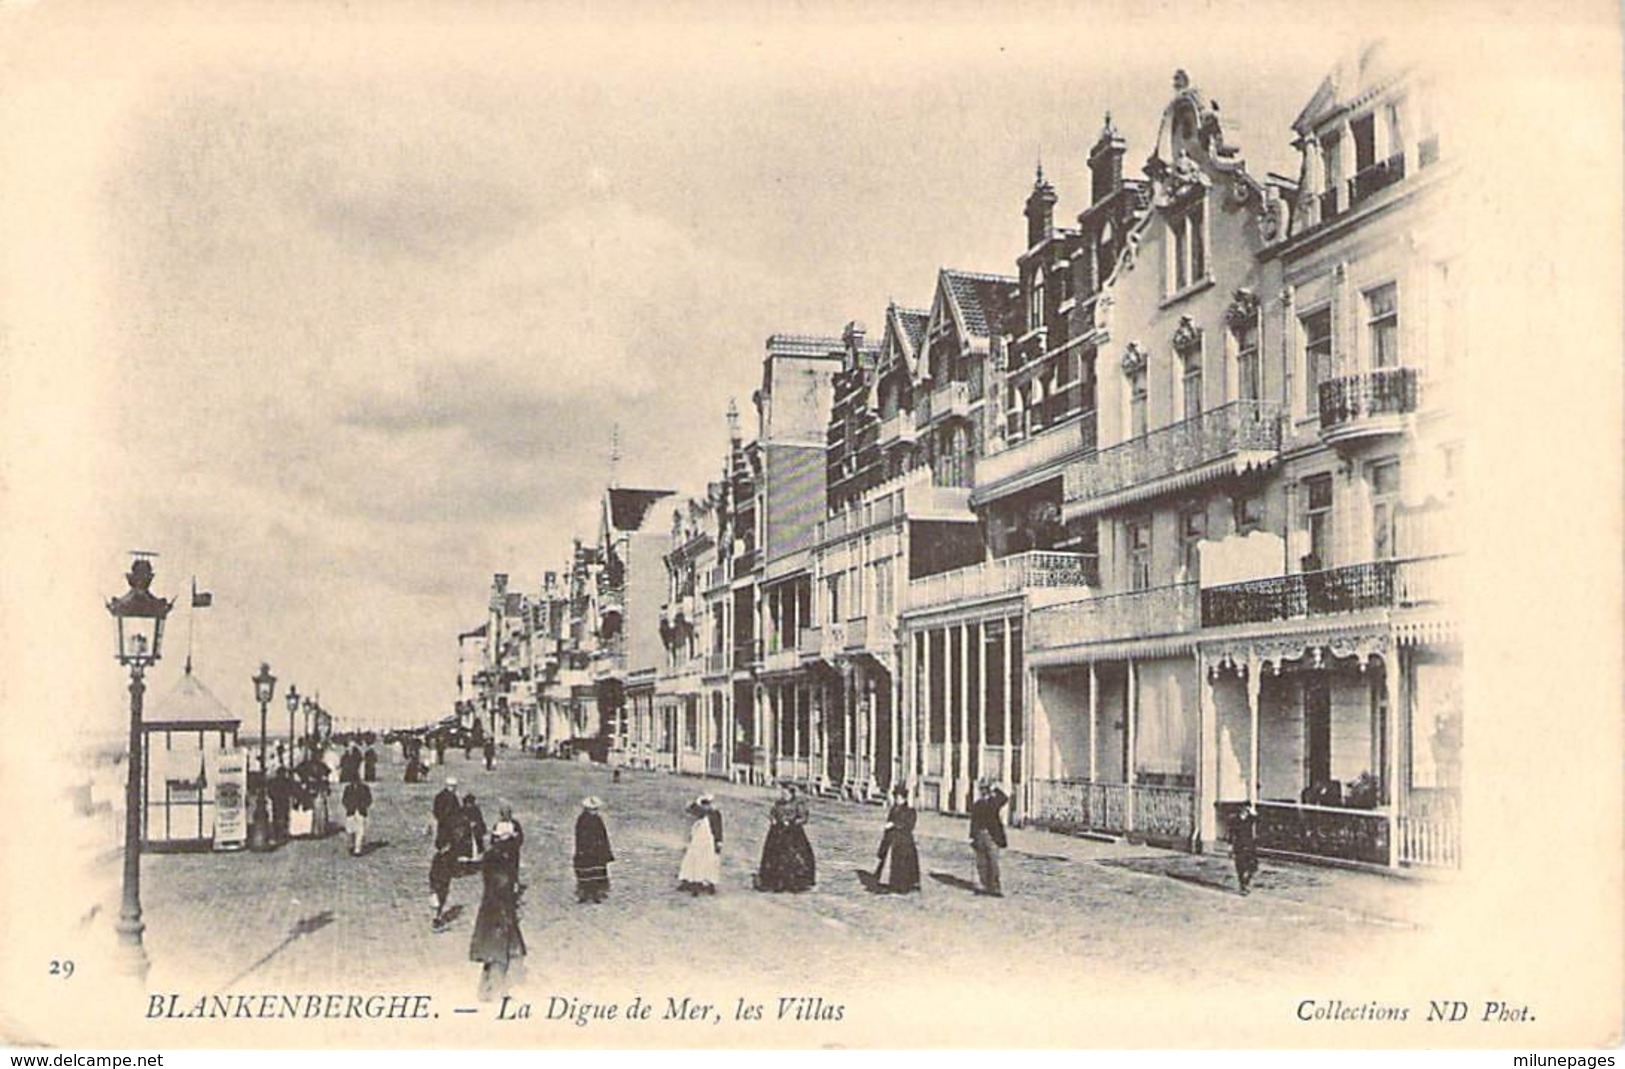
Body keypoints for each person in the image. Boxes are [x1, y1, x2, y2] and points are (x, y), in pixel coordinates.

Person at [469, 818, 526, 1001]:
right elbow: (501, 884)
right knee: (500, 952)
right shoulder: (498, 857)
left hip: (492, 908)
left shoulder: (494, 855)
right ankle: (498, 992)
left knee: (490, 952)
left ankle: (484, 990)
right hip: (499, 909)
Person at [755, 785, 815, 892]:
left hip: (793, 833)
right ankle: (776, 881)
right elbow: (773, 813)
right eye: (782, 794)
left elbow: (804, 818)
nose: (784, 796)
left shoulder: (798, 804)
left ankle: (795, 882)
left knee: (794, 856)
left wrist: (792, 823)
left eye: (786, 794)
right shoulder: (778, 803)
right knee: (774, 855)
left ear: (791, 794)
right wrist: (773, 819)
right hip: (778, 832)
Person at [968, 779, 1009, 897]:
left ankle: (995, 887)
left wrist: (995, 788)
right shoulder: (977, 804)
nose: (983, 791)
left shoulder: (993, 802)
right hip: (980, 835)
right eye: (982, 789)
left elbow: (1004, 798)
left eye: (985, 789)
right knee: (981, 862)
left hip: (992, 836)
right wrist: (972, 837)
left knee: (993, 862)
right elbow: (973, 821)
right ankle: (985, 885)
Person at [876, 785, 921, 893]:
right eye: (896, 797)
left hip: (904, 842)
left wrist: (894, 825)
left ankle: (903, 886)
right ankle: (890, 883)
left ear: (904, 798)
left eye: (899, 798)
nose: (897, 800)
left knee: (903, 865)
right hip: (892, 840)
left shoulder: (910, 811)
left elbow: (909, 825)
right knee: (890, 862)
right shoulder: (893, 810)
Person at [677, 794, 722, 895]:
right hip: (697, 841)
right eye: (704, 804)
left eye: (708, 804)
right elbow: (689, 809)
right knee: (693, 859)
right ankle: (690, 880)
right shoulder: (698, 814)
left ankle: (708, 882)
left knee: (709, 860)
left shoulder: (715, 814)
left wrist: (719, 841)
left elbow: (718, 829)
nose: (707, 806)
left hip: (709, 841)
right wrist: (697, 801)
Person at [573, 797, 614, 904]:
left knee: (597, 872)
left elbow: (603, 836)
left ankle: (597, 893)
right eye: (591, 809)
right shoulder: (582, 820)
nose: (594, 812)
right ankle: (585, 893)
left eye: (595, 809)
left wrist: (605, 850)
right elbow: (579, 837)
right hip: (585, 851)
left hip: (597, 851)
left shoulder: (598, 820)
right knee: (585, 872)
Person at [1230, 802, 1260, 895]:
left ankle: (1246, 882)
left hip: (1250, 845)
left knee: (1253, 866)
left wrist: (1252, 812)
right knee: (1240, 867)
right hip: (1239, 845)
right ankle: (1242, 886)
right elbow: (1231, 833)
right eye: (1245, 808)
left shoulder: (1250, 819)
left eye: (1248, 809)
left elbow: (1258, 819)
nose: (1246, 811)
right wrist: (1230, 846)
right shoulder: (1235, 819)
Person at [341, 777, 373, 856]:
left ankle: (357, 849)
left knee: (360, 831)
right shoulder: (348, 788)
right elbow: (344, 800)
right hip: (351, 812)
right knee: (350, 830)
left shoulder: (365, 788)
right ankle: (352, 845)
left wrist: (363, 806)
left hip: (361, 811)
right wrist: (349, 806)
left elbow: (369, 799)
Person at [432, 776, 461, 850]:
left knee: (442, 840)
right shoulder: (451, 797)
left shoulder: (439, 796)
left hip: (442, 822)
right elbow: (455, 810)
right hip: (450, 823)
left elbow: (435, 810)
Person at [462, 793, 487, 858]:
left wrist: (475, 824)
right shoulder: (462, 810)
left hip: (476, 833)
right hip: (465, 834)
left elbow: (480, 821)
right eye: (468, 803)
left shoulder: (476, 810)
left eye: (471, 803)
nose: (469, 805)